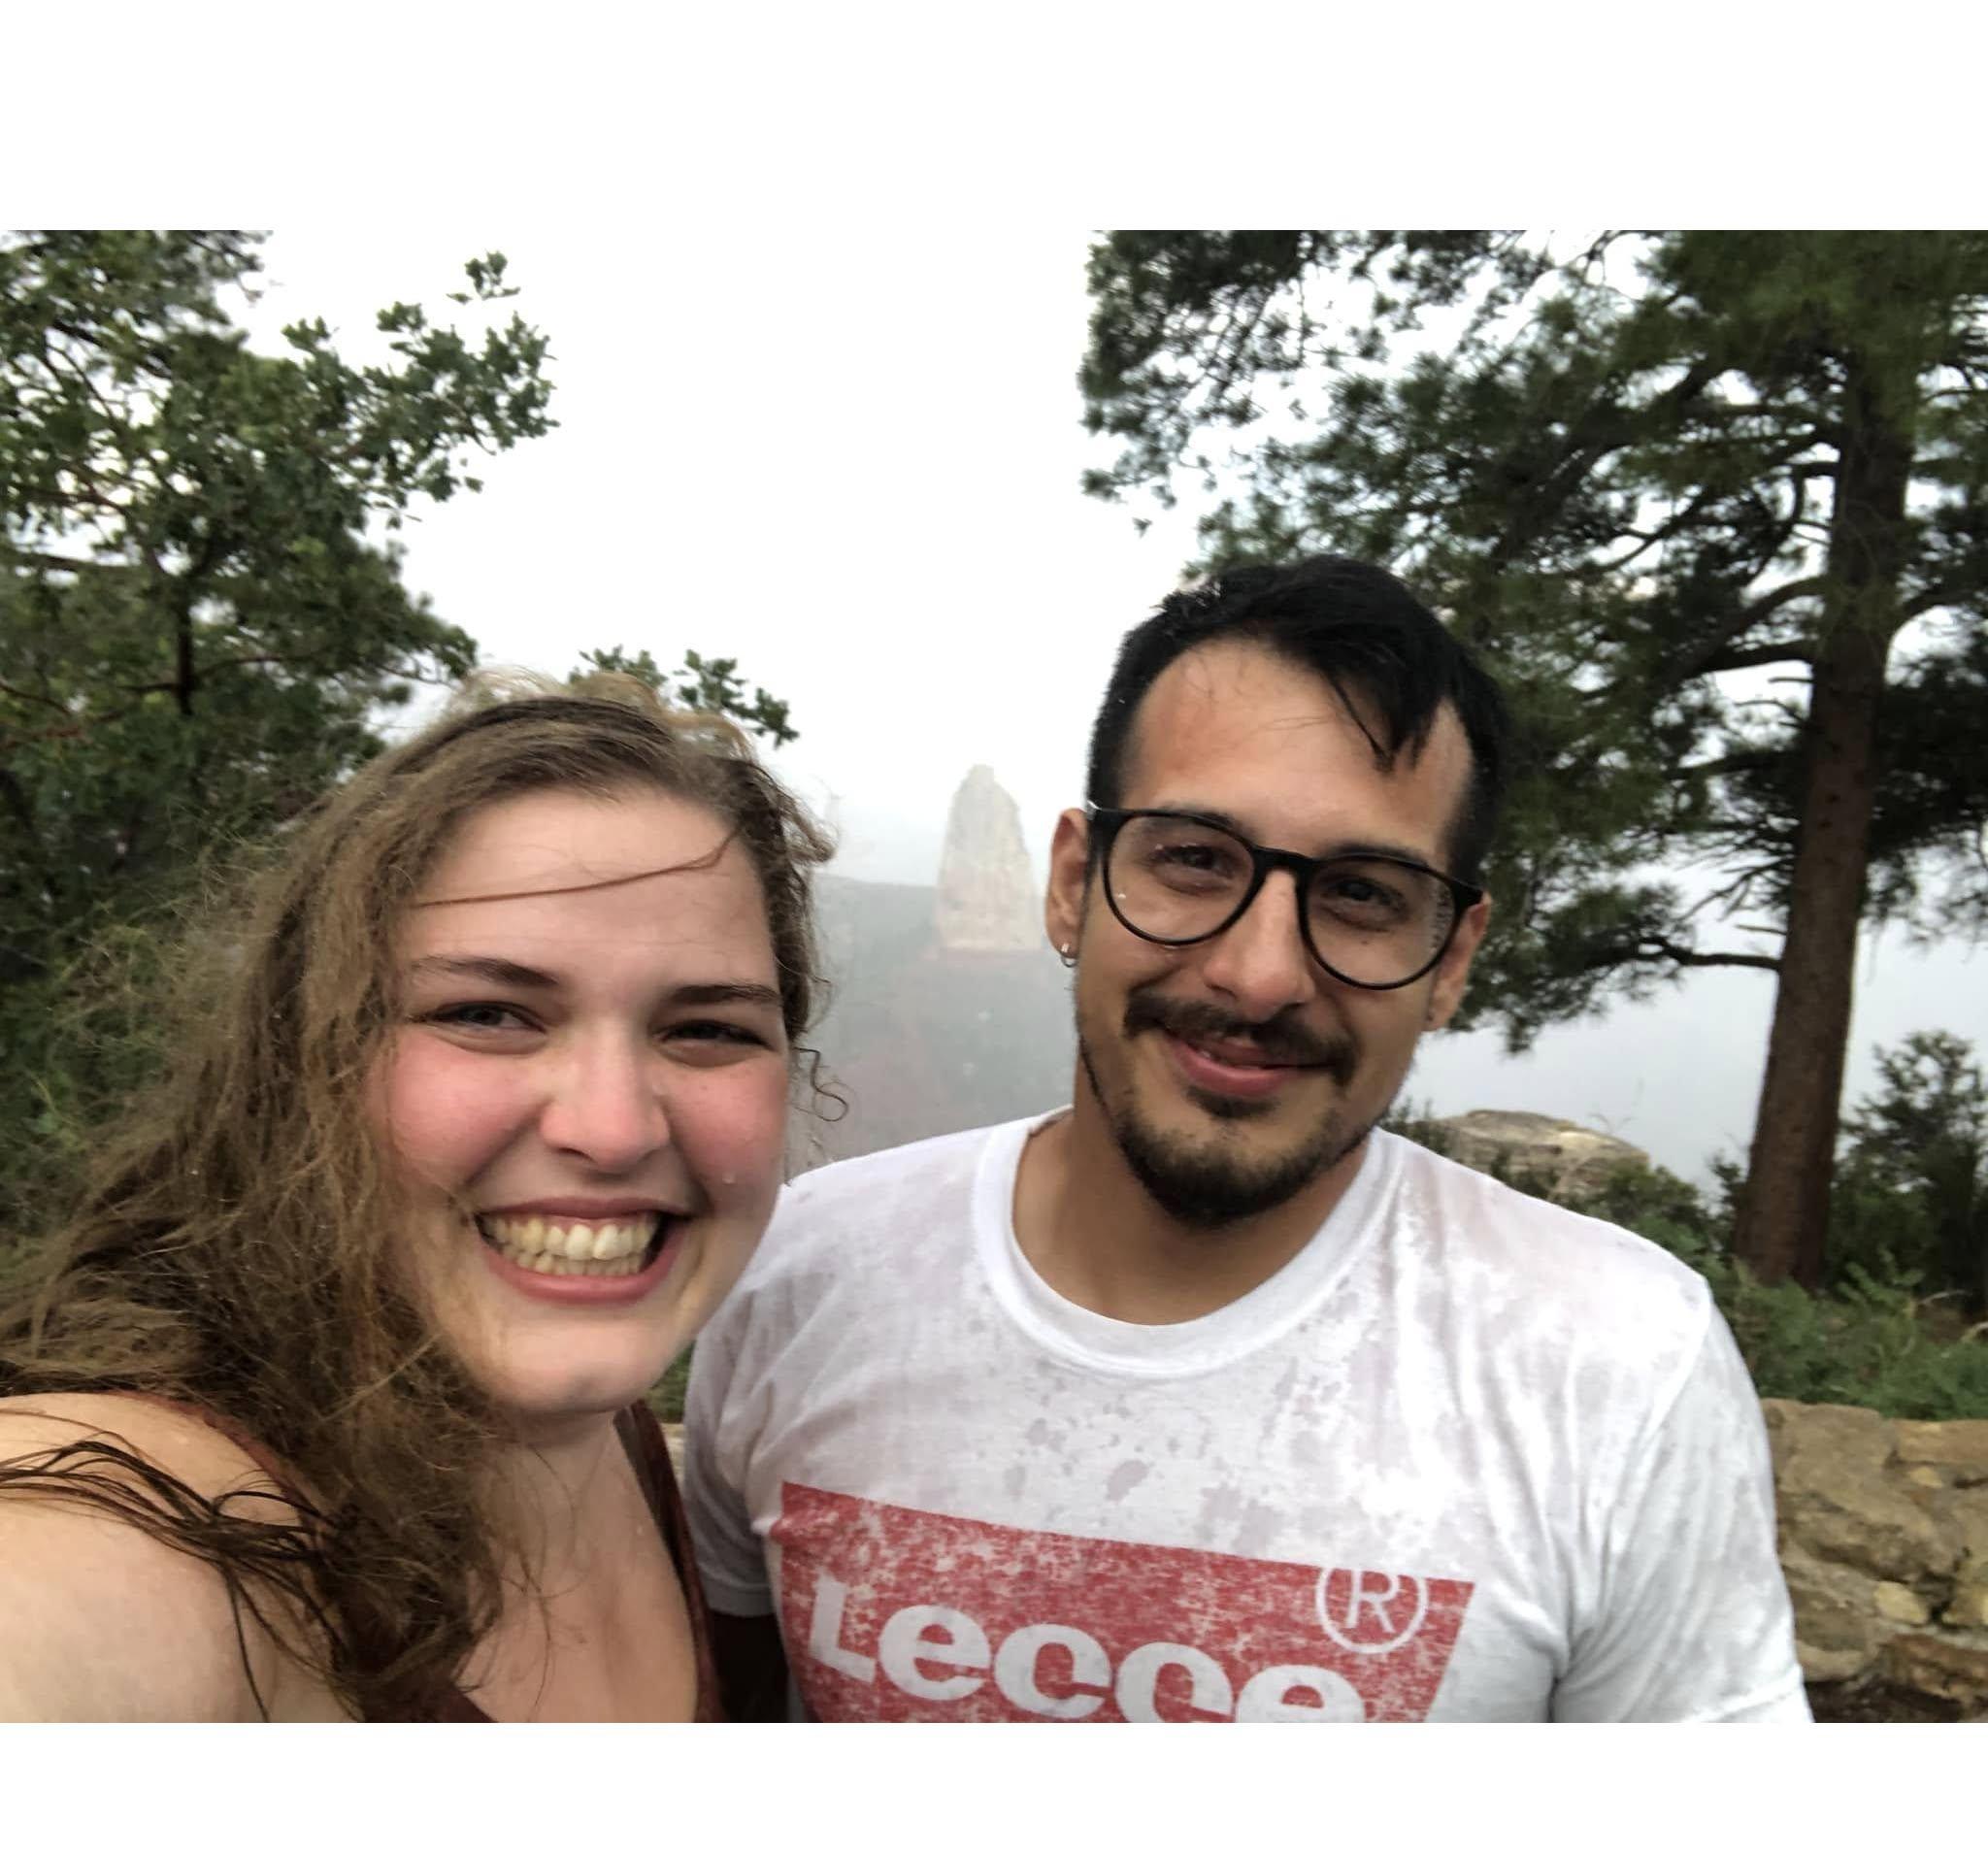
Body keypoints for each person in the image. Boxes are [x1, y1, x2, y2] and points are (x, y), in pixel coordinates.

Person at [685, 555, 1808, 1724]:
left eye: (1362, 892)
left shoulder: (1614, 1365)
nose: (1260, 973)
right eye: (1192, 858)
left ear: (1453, 957)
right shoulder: (796, 1281)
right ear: (1071, 883)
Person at [0, 676, 832, 1721]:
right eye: (487, 1011)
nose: (614, 1127)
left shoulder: (606, 1430)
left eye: (706, 1029)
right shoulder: (155, 1511)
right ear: (302, 1059)